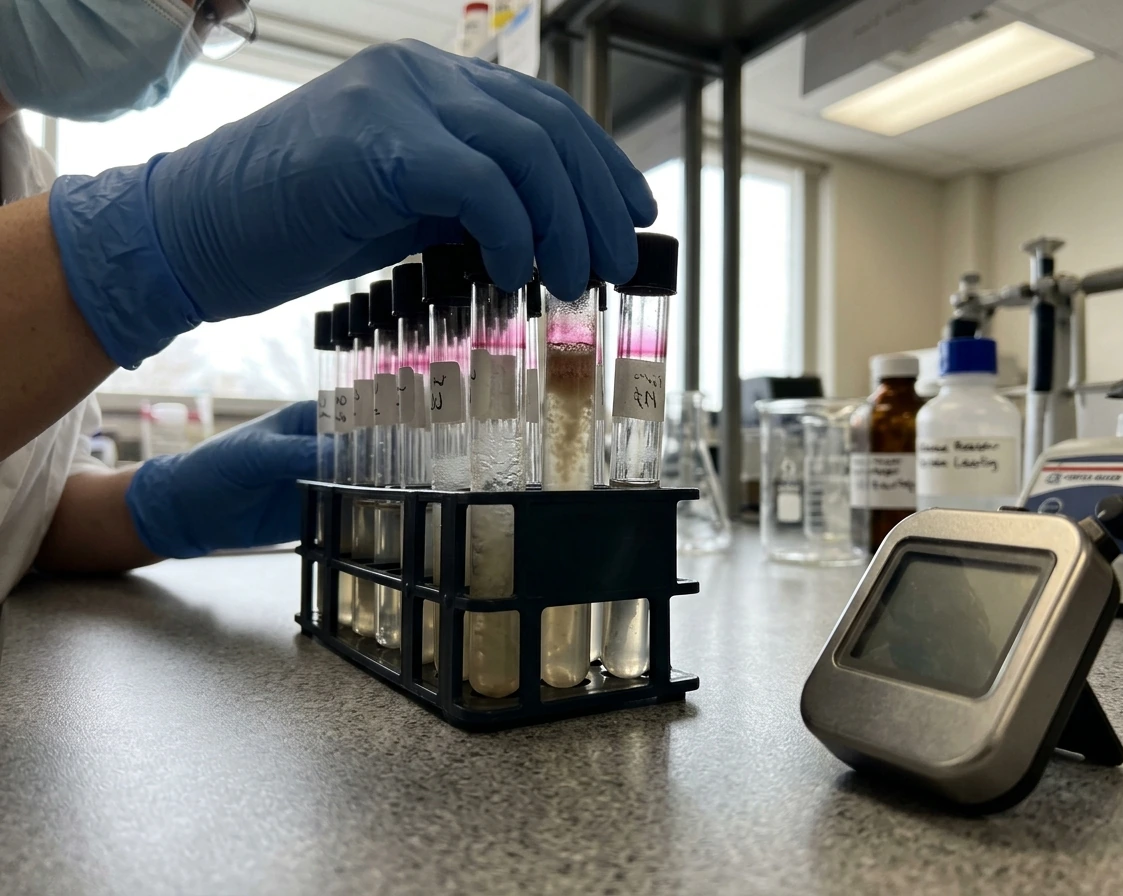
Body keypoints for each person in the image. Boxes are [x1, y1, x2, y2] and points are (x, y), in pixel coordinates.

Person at [0, 1, 656, 611]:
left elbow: (25, 508)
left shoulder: (25, 170)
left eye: (218, 15)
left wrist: (156, 505)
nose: (202, 20)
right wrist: (156, 237)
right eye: (201, 3)